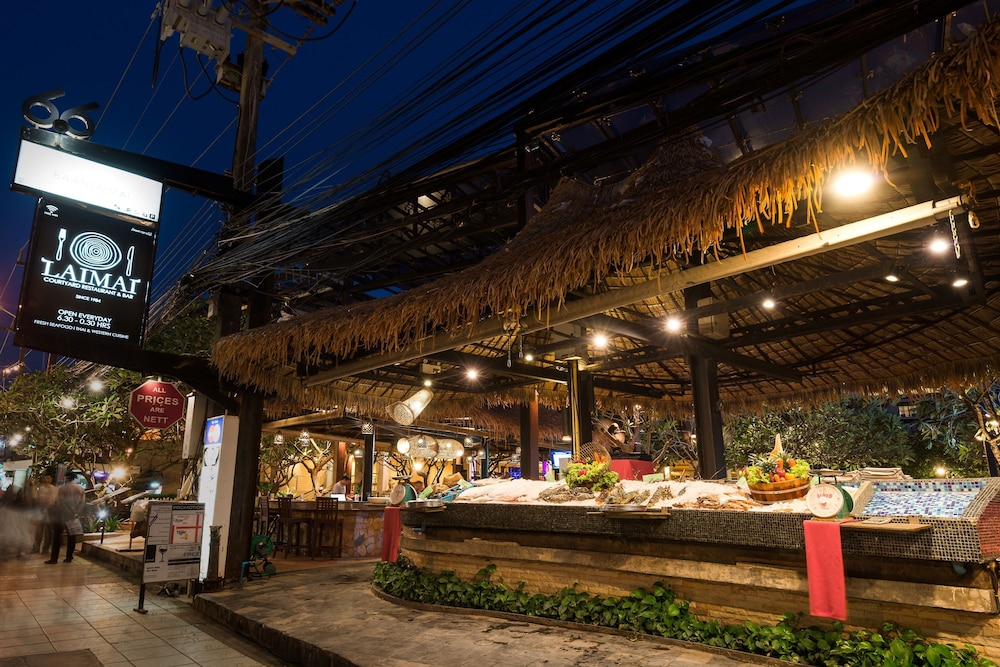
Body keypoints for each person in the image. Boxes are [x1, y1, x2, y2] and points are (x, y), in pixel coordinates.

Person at [47, 473, 86, 564]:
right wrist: (76, 512)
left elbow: (58, 501)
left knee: (57, 537)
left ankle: (54, 558)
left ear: (66, 479)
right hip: (72, 516)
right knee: (72, 537)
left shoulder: (62, 488)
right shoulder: (80, 489)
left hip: (61, 515)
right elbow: (82, 503)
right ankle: (69, 557)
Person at [30, 474, 57, 554]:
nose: (46, 480)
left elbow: (52, 499)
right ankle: (36, 548)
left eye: (48, 478)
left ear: (51, 479)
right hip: (41, 510)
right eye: (45, 478)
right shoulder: (41, 488)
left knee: (48, 531)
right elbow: (37, 498)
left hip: (49, 511)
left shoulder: (53, 488)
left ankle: (45, 548)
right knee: (39, 530)